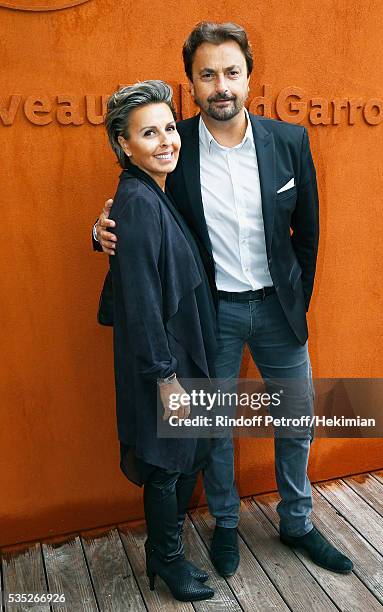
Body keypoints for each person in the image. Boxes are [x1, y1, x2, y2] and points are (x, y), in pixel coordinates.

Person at [95, 23, 353, 576]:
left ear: (249, 78)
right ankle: (227, 523)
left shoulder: (290, 141)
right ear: (190, 81)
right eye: (207, 73)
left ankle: (298, 521)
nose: (221, 85)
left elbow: (306, 236)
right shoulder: (174, 145)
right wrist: (99, 233)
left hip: (279, 311)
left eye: (231, 72)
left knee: (296, 416)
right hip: (213, 314)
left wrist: (296, 300)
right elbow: (138, 211)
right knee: (214, 429)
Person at [102, 80, 216, 602]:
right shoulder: (139, 203)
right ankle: (167, 561)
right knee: (166, 467)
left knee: (172, 461)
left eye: (169, 127)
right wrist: (166, 379)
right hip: (161, 360)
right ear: (123, 144)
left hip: (172, 352)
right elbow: (142, 302)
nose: (167, 140)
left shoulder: (149, 193)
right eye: (149, 133)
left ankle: (163, 556)